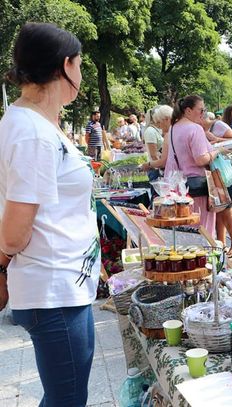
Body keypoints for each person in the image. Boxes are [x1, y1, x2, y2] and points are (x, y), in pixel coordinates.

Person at [0, 22, 99, 405]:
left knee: (65, 396)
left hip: (63, 286)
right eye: (80, 65)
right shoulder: (31, 131)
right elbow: (13, 232)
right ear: (66, 65)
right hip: (51, 288)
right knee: (67, 399)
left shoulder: (35, 123)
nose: (82, 74)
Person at [165, 95, 222, 234]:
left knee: (183, 230)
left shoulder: (174, 128)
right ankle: (204, 255)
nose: (203, 114)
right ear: (188, 110)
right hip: (195, 187)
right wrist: (217, 151)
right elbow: (201, 159)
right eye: (201, 110)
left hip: (176, 187)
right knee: (202, 229)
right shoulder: (195, 128)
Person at [201, 112, 232, 258]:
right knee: (217, 210)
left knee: (226, 209)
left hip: (221, 173)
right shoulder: (198, 129)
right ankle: (221, 243)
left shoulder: (217, 125)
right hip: (209, 174)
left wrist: (215, 141)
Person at [143, 105, 170, 181]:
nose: (159, 125)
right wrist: (162, 168)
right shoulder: (150, 131)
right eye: (158, 122)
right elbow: (154, 155)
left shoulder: (158, 130)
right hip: (156, 170)